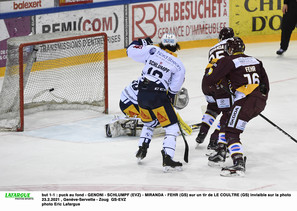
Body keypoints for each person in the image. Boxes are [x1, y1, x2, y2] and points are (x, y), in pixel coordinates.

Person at [203, 37, 269, 176]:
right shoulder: (256, 60)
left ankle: (238, 163)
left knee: (231, 132)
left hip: (245, 100)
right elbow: (265, 85)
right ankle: (221, 151)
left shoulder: (229, 60)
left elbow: (211, 79)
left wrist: (212, 68)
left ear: (230, 49)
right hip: (260, 100)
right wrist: (255, 100)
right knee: (227, 120)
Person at [126, 33, 186, 171]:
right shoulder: (178, 64)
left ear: (162, 44)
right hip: (158, 95)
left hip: (142, 94)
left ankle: (142, 149)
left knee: (149, 122)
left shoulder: (152, 50)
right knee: (171, 127)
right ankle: (168, 157)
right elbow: (174, 89)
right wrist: (168, 98)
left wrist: (140, 42)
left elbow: (130, 51)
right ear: (176, 46)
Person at [196, 27, 234, 153]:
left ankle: (202, 132)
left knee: (212, 107)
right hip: (220, 83)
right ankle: (214, 140)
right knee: (228, 113)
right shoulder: (232, 45)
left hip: (206, 81)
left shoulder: (213, 48)